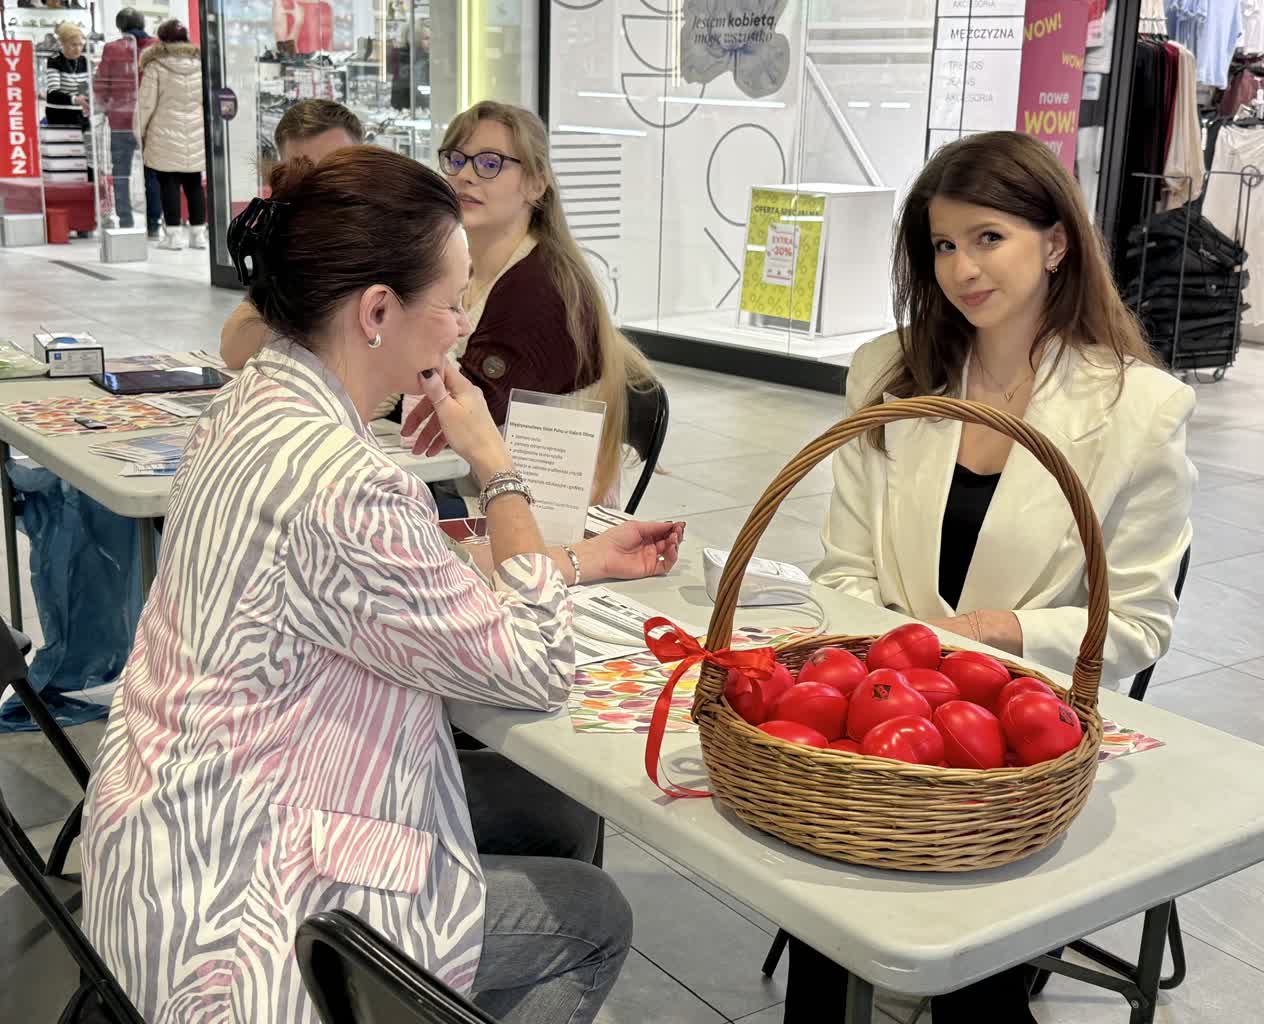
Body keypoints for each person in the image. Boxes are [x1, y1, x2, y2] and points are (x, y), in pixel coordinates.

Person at [81, 146, 687, 1023]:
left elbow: (393, 581)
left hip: (166, 827)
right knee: (592, 916)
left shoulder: (249, 404)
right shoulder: (346, 483)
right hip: (239, 915)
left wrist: (582, 560)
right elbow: (536, 665)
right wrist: (497, 467)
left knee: (551, 812)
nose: (461, 327)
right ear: (376, 312)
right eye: (453, 303)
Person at [784, 131, 1196, 1023]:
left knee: (973, 978)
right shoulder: (891, 375)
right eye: (943, 245)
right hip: (884, 717)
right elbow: (844, 568)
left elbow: (1137, 625)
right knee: (829, 928)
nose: (962, 269)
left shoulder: (1140, 411)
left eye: (988, 238)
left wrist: (988, 634)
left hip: (1016, 742)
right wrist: (891, 672)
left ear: (1055, 244)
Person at [408, 101, 656, 506]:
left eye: (490, 163)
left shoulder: (540, 288)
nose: (465, 175)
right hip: (488, 489)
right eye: (456, 159)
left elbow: (454, 418)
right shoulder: (471, 269)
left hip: (544, 516)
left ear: (536, 185)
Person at [220, 99, 366, 373]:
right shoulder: (293, 239)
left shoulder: (400, 228)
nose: (321, 185)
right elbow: (234, 348)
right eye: (304, 171)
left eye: (335, 167)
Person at [138, 20, 207, 251]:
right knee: (194, 183)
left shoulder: (155, 65)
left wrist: (138, 131)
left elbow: (146, 105)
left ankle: (174, 236)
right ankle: (198, 236)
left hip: (163, 134)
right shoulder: (201, 64)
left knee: (169, 184)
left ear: (162, 40)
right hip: (195, 132)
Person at [94, 8, 159, 234]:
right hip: (150, 122)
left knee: (121, 173)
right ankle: (153, 224)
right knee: (153, 173)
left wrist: (102, 106)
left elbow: (101, 83)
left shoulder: (112, 48)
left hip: (120, 120)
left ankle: (126, 222)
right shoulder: (156, 47)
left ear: (120, 26)